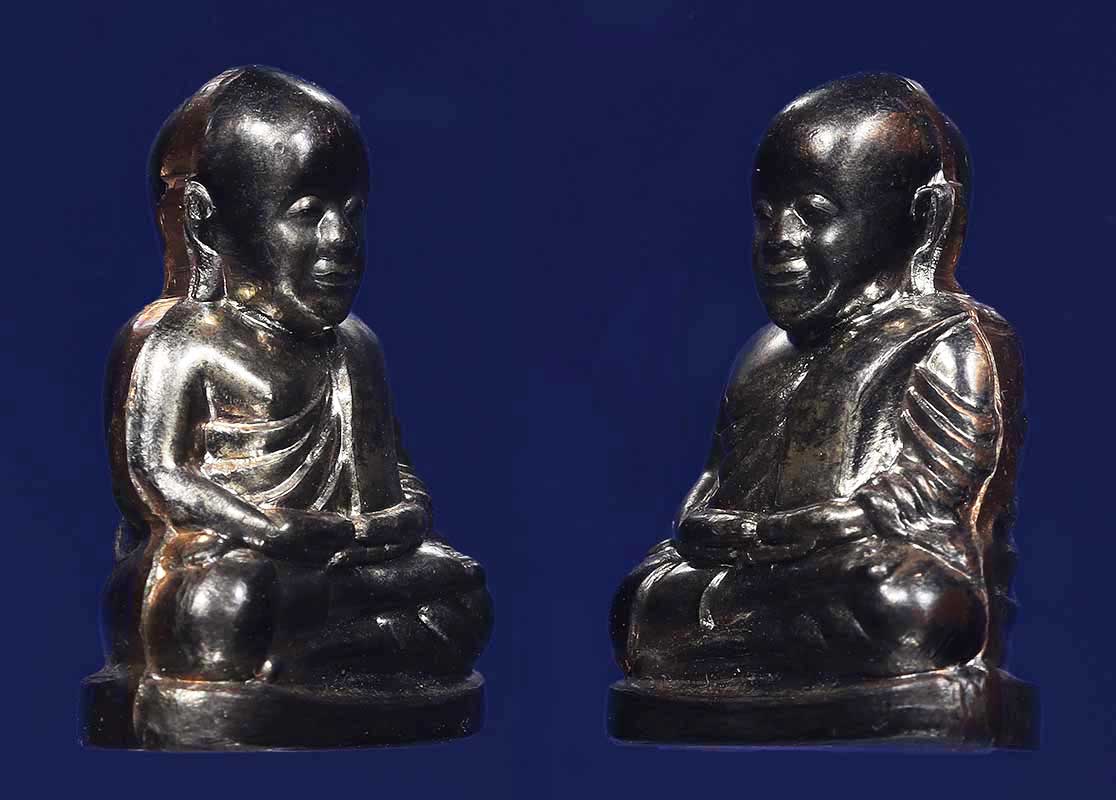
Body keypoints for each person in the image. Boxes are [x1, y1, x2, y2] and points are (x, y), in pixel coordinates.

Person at [96, 68, 492, 729]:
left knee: (460, 587)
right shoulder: (180, 341)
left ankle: (302, 652)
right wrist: (269, 529)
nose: (340, 240)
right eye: (307, 213)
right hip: (232, 561)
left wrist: (403, 515)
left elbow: (392, 464)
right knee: (219, 600)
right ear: (205, 223)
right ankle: (294, 646)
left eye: (353, 213)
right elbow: (154, 475)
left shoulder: (355, 346)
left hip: (346, 563)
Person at [611, 74, 1024, 687]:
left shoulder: (950, 337)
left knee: (910, 602)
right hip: (763, 575)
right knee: (642, 601)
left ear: (922, 218)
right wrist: (717, 527)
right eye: (766, 216)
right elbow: (715, 484)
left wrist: (819, 527)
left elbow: (936, 491)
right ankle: (762, 635)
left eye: (814, 215)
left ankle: (760, 633)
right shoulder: (763, 354)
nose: (780, 240)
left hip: (855, 569)